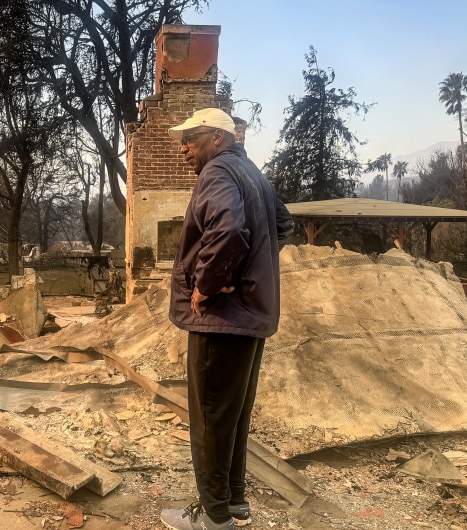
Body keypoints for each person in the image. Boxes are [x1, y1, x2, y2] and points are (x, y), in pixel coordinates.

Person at [160, 108, 294, 530]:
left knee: (210, 418)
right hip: (250, 318)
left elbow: (231, 231)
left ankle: (215, 518)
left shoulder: (217, 173)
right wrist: (250, 272)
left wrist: (209, 284)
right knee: (232, 415)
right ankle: (234, 502)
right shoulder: (251, 171)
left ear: (218, 138)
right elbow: (283, 224)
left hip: (219, 320)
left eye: (192, 139)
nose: (184, 148)